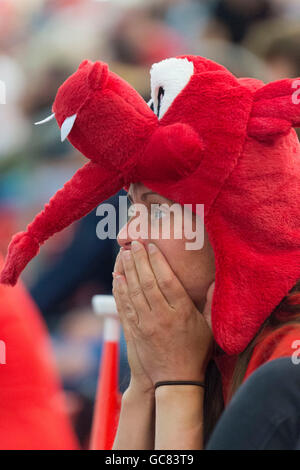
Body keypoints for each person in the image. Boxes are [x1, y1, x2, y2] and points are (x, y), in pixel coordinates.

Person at [1, 55, 299, 449]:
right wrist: (143, 385)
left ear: (237, 225)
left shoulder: (285, 366)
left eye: (157, 210)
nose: (125, 234)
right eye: (131, 208)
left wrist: (177, 383)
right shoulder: (196, 344)